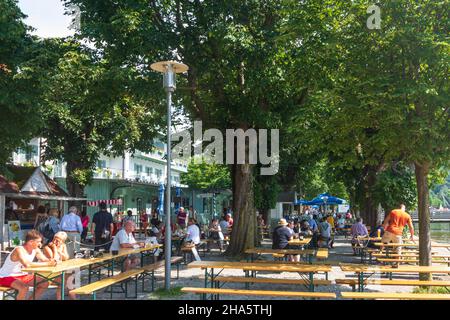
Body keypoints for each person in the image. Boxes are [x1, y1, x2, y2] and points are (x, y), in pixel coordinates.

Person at [0, 230, 57, 300]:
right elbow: (26, 264)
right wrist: (47, 264)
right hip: (6, 276)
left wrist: (53, 260)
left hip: (22, 276)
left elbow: (45, 260)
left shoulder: (36, 249)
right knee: (24, 288)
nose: (40, 244)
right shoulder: (19, 249)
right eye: (38, 242)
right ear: (31, 242)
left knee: (45, 283)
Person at [42, 232, 76, 300]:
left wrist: (59, 251)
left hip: (56, 271)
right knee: (64, 280)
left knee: (70, 277)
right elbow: (55, 259)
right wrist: (54, 248)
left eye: (58, 240)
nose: (54, 241)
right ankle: (62, 298)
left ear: (62, 241)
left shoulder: (63, 245)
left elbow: (66, 257)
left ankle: (72, 298)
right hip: (46, 272)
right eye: (54, 239)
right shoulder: (47, 247)